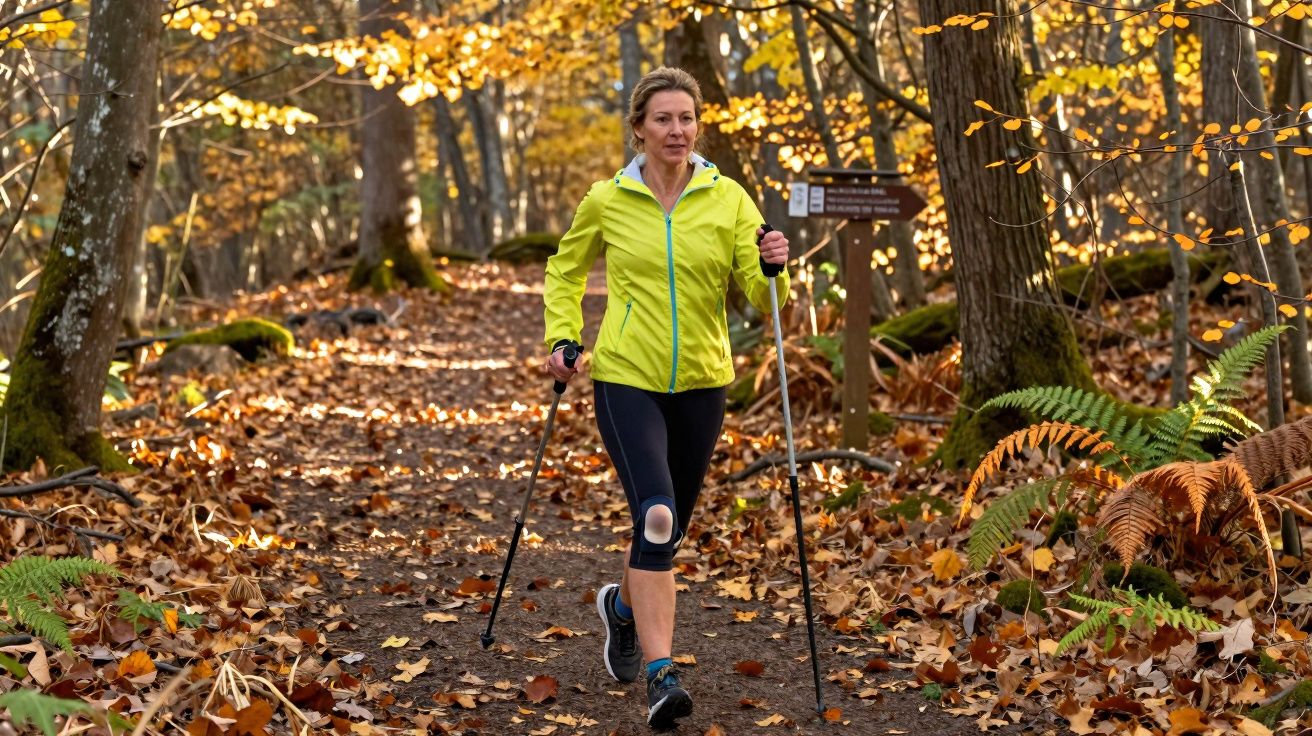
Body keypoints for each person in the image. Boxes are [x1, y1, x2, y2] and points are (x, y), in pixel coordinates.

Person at [541, 66, 790, 729]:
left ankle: (621, 611)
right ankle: (660, 673)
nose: (676, 130)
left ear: (697, 126)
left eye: (686, 119)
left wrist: (771, 265)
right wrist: (564, 336)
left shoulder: (729, 197)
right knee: (654, 515)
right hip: (627, 375)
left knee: (670, 529)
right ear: (640, 128)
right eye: (663, 119)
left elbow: (761, 291)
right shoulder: (608, 199)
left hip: (705, 381)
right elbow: (565, 268)